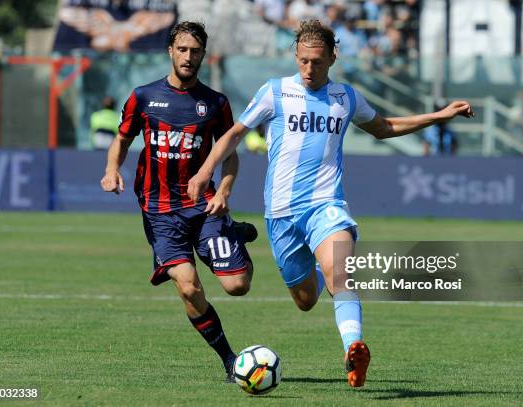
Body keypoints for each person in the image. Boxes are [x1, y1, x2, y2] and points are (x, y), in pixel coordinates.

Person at [187, 19, 474, 387]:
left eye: (318, 62)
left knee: (343, 275)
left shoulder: (346, 98)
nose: (309, 69)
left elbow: (384, 127)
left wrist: (438, 116)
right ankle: (325, 277)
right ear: (295, 55)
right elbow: (236, 134)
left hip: (326, 206)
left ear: (333, 58)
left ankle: (353, 349)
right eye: (304, 60)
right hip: (281, 215)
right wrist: (206, 172)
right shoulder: (275, 92)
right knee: (305, 299)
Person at [100, 21, 257, 383]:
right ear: (170, 51)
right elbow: (122, 140)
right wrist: (112, 170)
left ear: (204, 54)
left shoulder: (216, 104)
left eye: (195, 51)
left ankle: (231, 233)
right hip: (159, 212)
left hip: (204, 206)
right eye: (182, 49)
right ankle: (230, 360)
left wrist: (225, 191)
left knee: (237, 286)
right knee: (188, 286)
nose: (188, 57)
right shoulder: (143, 97)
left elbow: (230, 154)